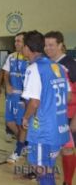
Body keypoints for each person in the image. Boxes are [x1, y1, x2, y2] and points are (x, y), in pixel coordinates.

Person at [21, 30, 70, 185]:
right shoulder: (59, 67)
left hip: (43, 130)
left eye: (22, 46)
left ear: (28, 48)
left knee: (42, 169)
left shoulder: (34, 68)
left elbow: (34, 102)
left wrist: (26, 117)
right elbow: (67, 96)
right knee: (46, 168)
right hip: (59, 127)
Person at [44, 31, 75, 185]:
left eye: (51, 45)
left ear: (61, 45)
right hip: (51, 116)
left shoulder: (70, 64)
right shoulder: (46, 63)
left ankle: (67, 182)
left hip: (68, 116)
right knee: (49, 151)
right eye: (46, 45)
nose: (47, 48)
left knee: (67, 149)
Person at [3, 32, 29, 163]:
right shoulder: (11, 57)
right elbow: (6, 74)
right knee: (10, 122)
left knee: (22, 125)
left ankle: (19, 150)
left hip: (23, 97)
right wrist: (7, 84)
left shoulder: (29, 59)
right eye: (15, 41)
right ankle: (24, 143)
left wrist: (26, 97)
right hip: (11, 96)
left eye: (19, 41)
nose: (16, 43)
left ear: (25, 42)